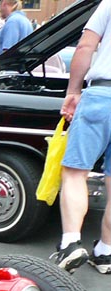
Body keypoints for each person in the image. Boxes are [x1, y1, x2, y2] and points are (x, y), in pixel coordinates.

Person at [51, 0, 111, 273]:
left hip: (102, 95)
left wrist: (73, 91)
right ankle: (105, 252)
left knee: (75, 172)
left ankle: (71, 244)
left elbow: (85, 46)